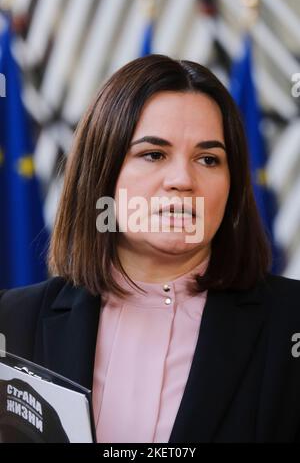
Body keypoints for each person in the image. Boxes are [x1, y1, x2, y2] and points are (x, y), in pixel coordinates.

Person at [0, 54, 300, 443]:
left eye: (208, 159)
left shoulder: (290, 322)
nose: (181, 180)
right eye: (153, 154)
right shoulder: (10, 321)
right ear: (102, 174)